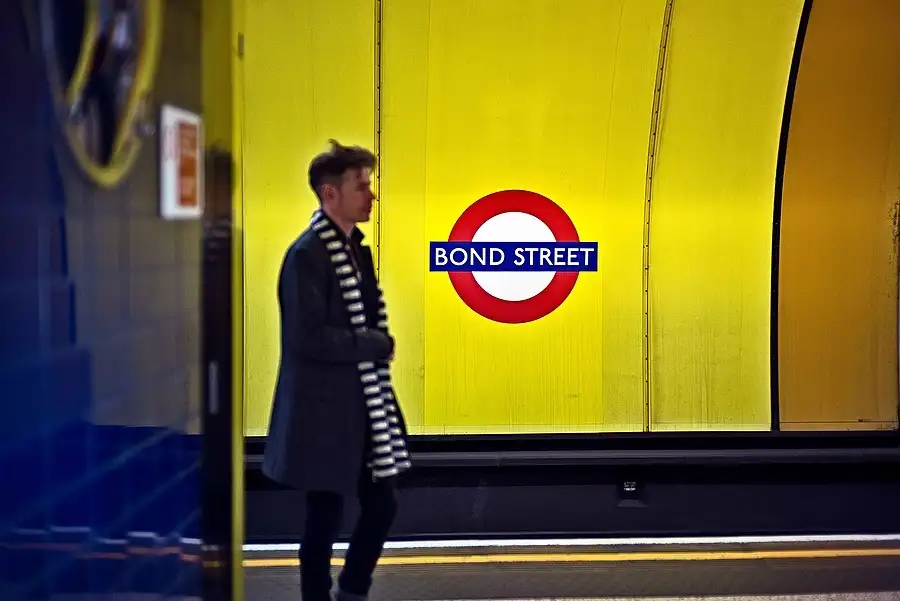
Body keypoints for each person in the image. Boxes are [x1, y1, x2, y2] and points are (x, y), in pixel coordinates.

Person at [262, 139, 412, 601]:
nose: (371, 195)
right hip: (323, 412)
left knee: (379, 504)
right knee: (324, 516)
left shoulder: (353, 250)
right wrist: (375, 344)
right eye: (361, 186)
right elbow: (307, 337)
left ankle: (351, 589)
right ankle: (322, 595)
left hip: (359, 406)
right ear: (331, 194)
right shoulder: (307, 255)